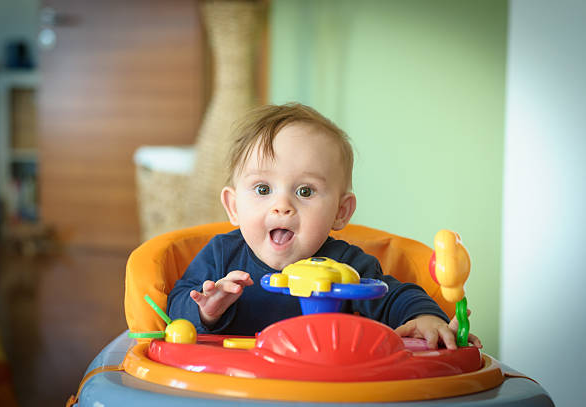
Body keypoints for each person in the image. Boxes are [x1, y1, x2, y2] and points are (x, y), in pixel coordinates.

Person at [167, 103, 481, 350]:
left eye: (305, 191)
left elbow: (395, 296)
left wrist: (424, 318)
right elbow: (177, 305)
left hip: (321, 391)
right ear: (234, 206)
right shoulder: (221, 256)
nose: (282, 205)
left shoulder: (346, 267)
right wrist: (207, 310)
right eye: (263, 189)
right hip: (231, 388)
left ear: (340, 212)